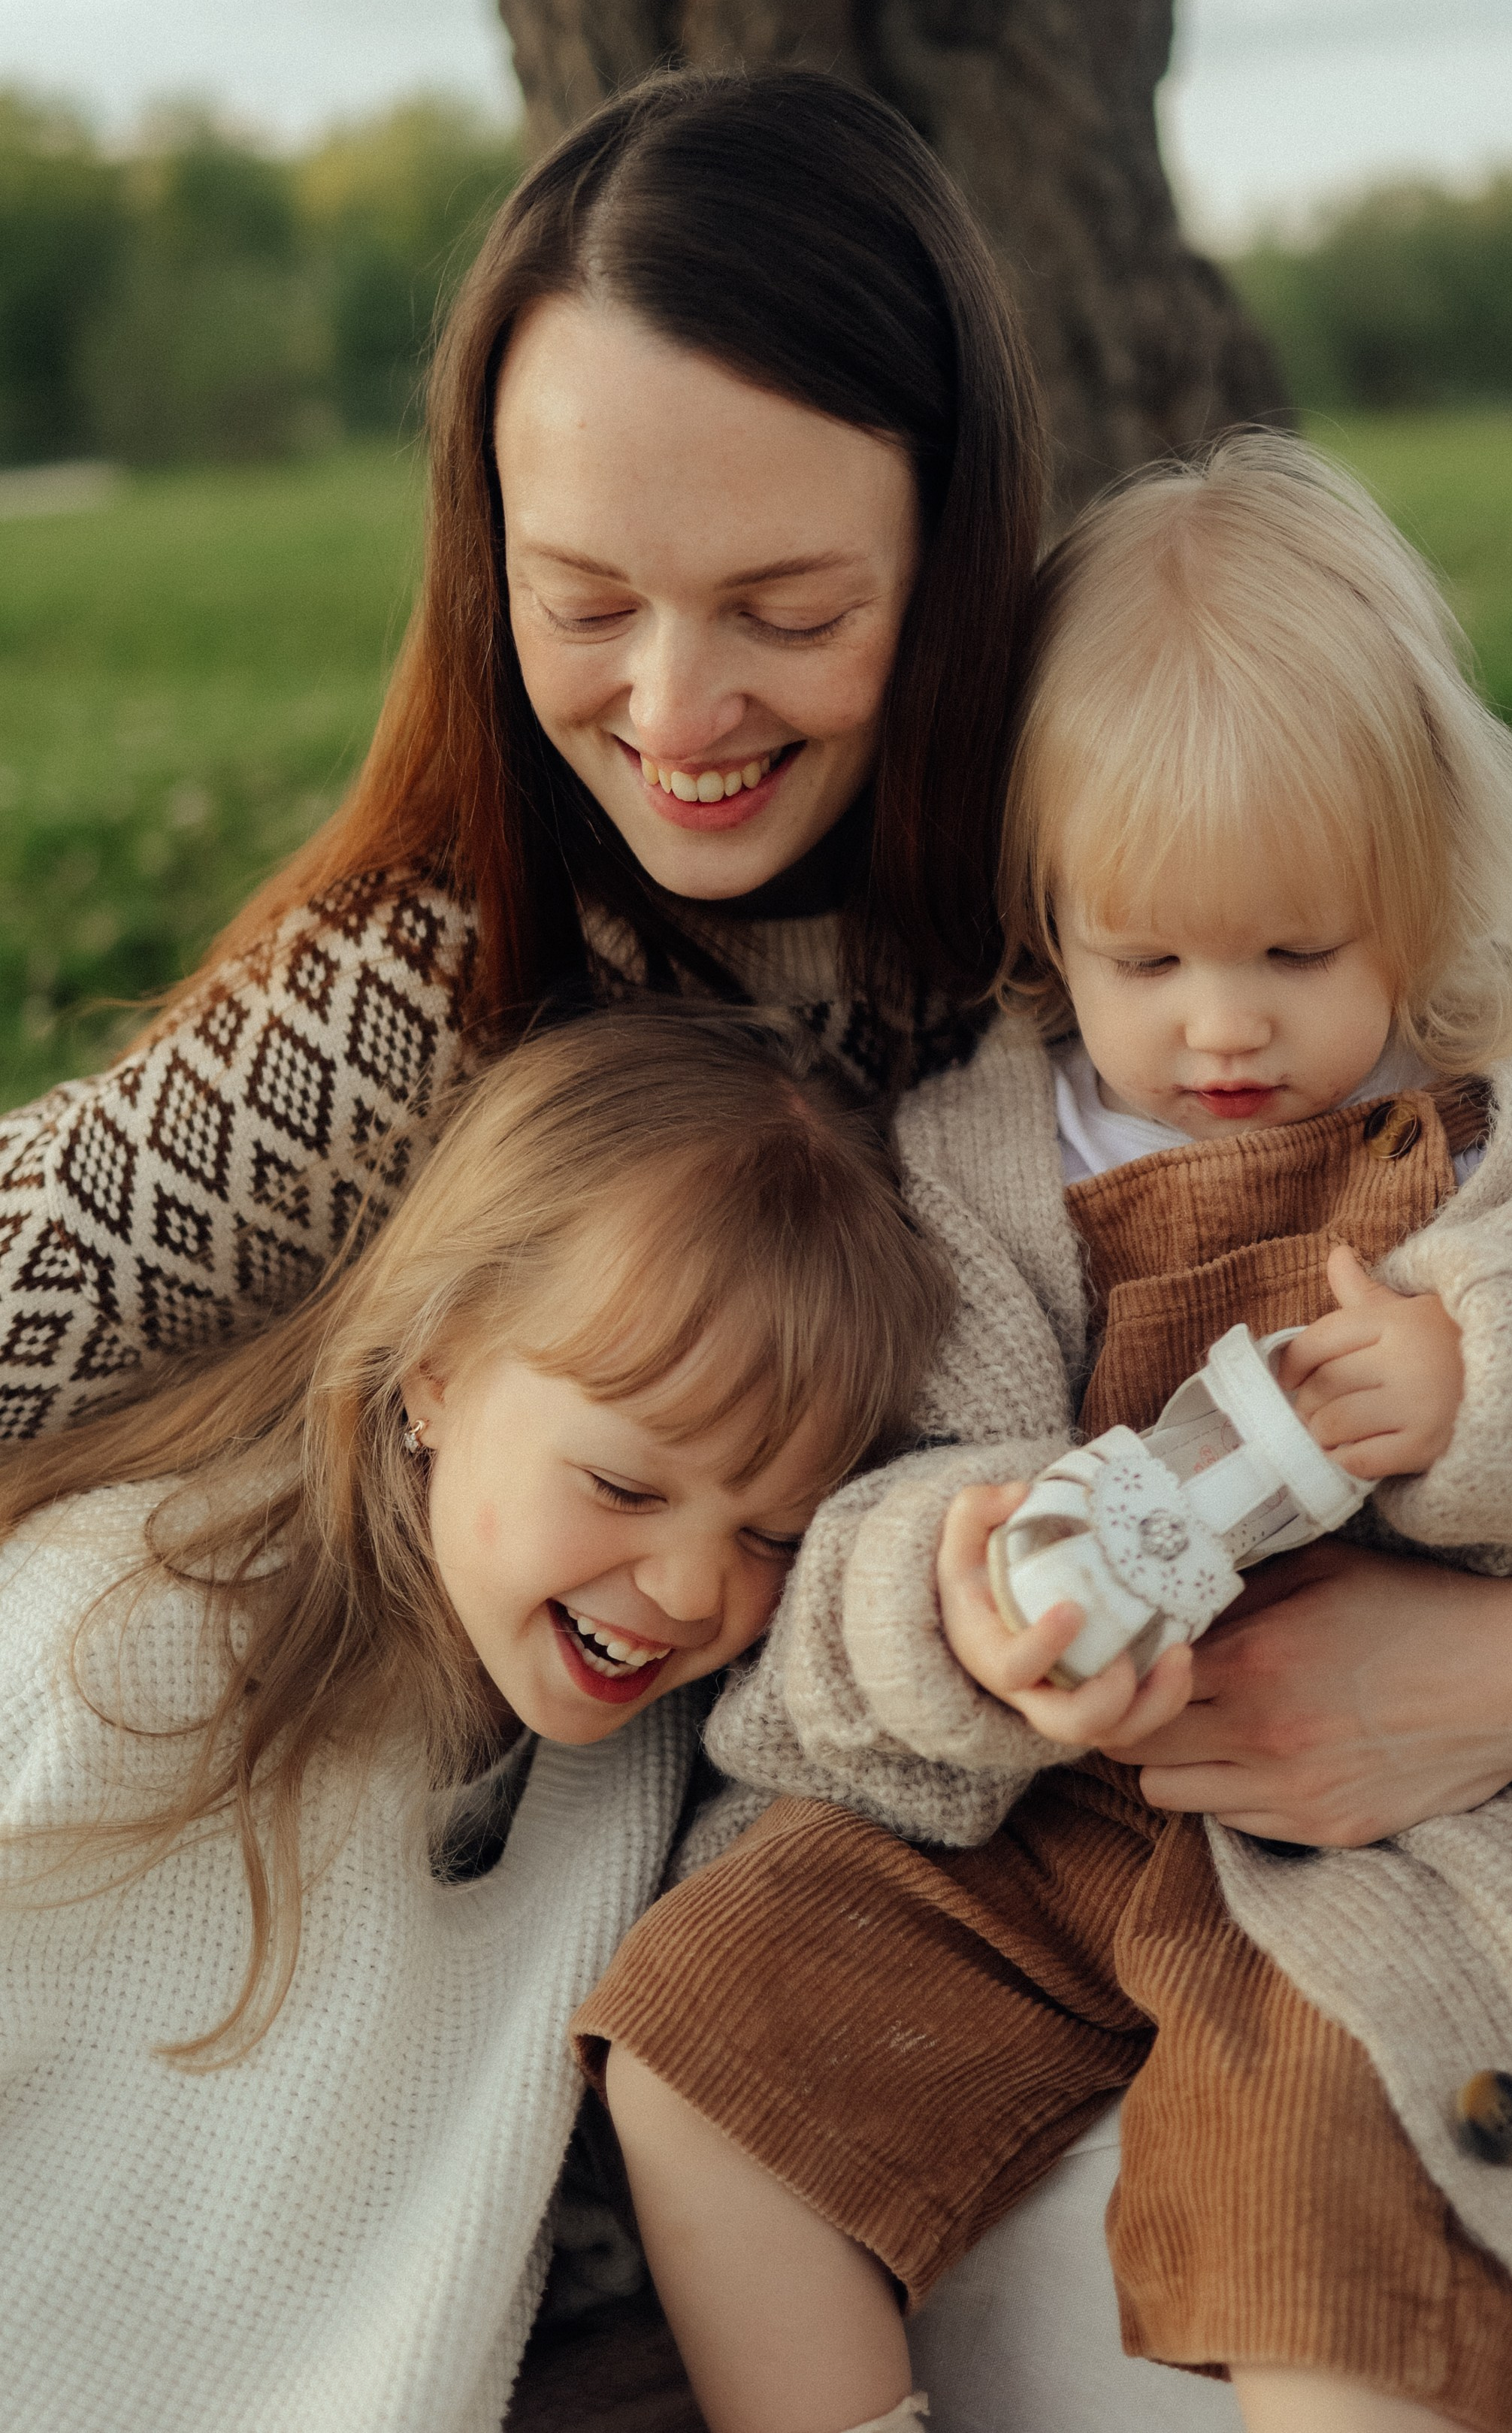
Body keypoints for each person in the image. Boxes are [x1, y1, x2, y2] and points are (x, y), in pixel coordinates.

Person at [0, 65, 1512, 2401]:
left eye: (790, 606)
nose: (681, 707)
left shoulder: (1124, 845)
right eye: (583, 601)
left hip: (1278, 1774)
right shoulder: (434, 982)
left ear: (952, 566)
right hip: (730, 1828)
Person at [585, 437, 1512, 2433]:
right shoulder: (975, 1155)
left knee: (1331, 2208)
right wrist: (970, 1594)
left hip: (1381, 1831)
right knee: (700, 2049)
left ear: (1414, 888)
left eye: (1294, 954)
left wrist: (1505, 1393)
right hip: (1042, 1811)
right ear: (1050, 919)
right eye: (1147, 961)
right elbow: (874, 1504)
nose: (1221, 1029)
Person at [0, 1003, 953, 2433]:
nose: (696, 1589)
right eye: (626, 1490)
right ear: (435, 1368)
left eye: (775, 1534)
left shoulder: (634, 1763)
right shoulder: (115, 1634)